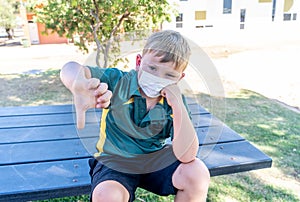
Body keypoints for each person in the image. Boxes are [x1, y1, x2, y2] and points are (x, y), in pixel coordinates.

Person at [60, 30, 210, 202]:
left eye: (169, 75)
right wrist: (77, 81)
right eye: (152, 68)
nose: (157, 77)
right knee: (106, 195)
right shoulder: (119, 81)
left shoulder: (174, 101)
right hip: (115, 160)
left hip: (154, 159)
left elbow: (187, 155)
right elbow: (70, 68)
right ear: (139, 62)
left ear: (179, 78)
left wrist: (178, 106)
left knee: (197, 173)